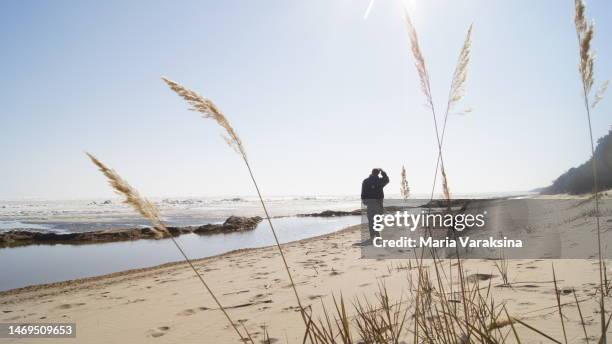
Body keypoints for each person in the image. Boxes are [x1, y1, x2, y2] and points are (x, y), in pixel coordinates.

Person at [361, 168, 389, 241]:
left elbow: (363, 193)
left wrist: (364, 201)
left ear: (372, 173)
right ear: (378, 173)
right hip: (378, 203)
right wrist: (383, 172)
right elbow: (387, 180)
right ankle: (377, 234)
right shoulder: (379, 181)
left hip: (370, 204)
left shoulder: (366, 181)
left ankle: (373, 236)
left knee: (371, 221)